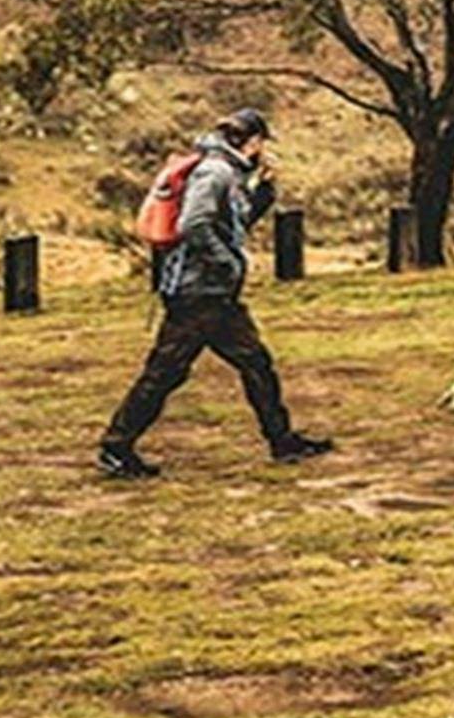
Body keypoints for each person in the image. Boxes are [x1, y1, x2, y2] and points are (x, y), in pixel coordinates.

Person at [97, 107, 333, 478]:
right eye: (262, 144)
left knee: (255, 363)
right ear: (253, 142)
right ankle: (116, 447)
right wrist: (229, 263)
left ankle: (282, 440)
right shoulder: (215, 172)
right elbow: (194, 224)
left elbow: (233, 225)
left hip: (215, 295)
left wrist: (265, 192)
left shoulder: (227, 171)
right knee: (166, 372)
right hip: (197, 294)